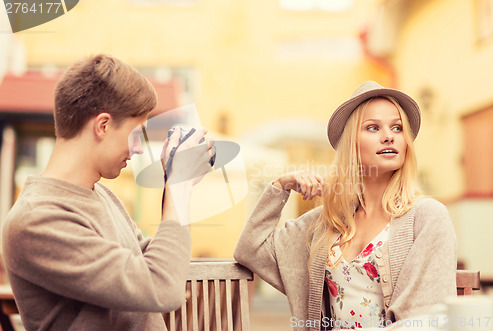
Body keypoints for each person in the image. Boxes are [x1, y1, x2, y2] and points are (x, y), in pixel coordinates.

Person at [2, 54, 214, 330]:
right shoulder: (36, 220)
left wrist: (173, 180)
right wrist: (178, 186)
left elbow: (157, 263)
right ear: (103, 125)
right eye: (137, 134)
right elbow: (161, 287)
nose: (139, 149)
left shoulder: (102, 194)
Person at [234, 81, 457, 330]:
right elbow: (250, 248)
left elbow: (425, 319)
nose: (388, 136)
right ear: (351, 143)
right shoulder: (327, 222)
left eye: (397, 127)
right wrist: (280, 186)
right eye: (373, 127)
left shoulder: (427, 216)